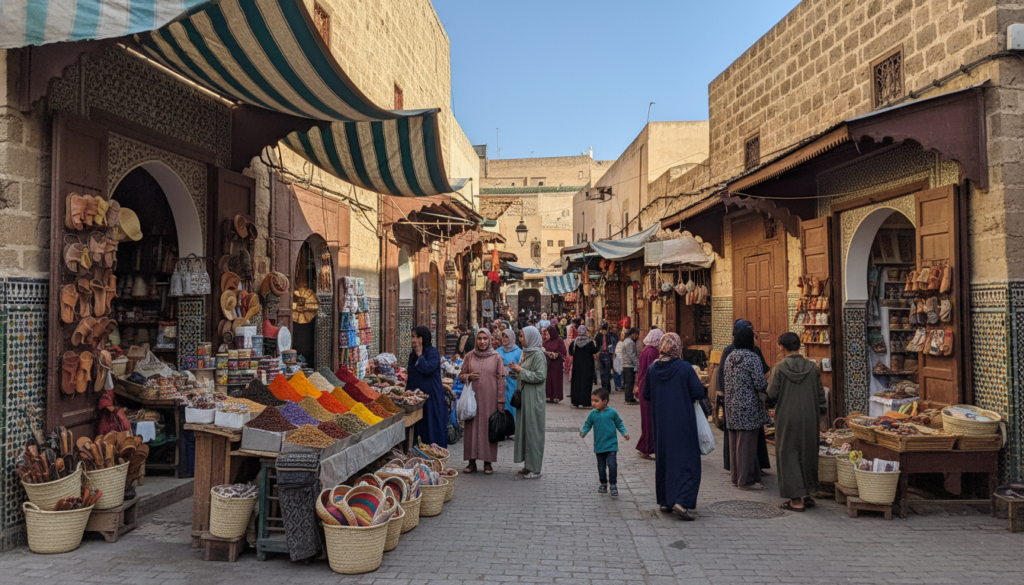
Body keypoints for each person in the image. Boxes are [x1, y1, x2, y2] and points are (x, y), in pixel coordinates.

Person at [643, 333, 706, 521]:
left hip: (661, 425)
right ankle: (682, 500)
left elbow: (646, 394)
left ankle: (664, 501)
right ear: (677, 348)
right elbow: (698, 391)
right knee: (688, 461)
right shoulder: (685, 368)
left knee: (664, 460)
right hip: (683, 422)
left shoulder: (652, 369)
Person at [768, 332, 827, 511]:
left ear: (781, 347)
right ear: (799, 346)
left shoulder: (779, 369)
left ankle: (795, 500)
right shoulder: (813, 368)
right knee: (807, 452)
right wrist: (821, 417)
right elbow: (820, 396)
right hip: (810, 416)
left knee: (789, 454)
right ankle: (808, 494)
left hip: (787, 417)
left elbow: (771, 394)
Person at [718, 319, 772, 473]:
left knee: (736, 440)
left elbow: (723, 378)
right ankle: (746, 477)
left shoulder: (729, 355)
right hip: (749, 406)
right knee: (747, 441)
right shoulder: (752, 355)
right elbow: (762, 381)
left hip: (731, 404)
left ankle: (737, 474)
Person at [458, 329, 507, 474]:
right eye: (479, 339)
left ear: (490, 339)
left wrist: (501, 400)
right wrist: (468, 376)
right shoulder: (469, 356)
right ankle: (471, 462)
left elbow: (501, 379)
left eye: (485, 338)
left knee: (488, 429)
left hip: (490, 400)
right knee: (471, 429)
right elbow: (461, 375)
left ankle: (488, 463)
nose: (482, 342)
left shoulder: (496, 357)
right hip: (472, 400)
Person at [509, 326, 548, 479]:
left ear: (531, 337)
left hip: (533, 399)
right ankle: (528, 465)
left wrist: (520, 371)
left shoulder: (538, 355)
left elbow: (540, 376)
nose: (520, 339)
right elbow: (523, 374)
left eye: (522, 336)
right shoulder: (526, 353)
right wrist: (514, 371)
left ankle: (535, 468)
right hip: (524, 398)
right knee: (525, 431)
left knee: (533, 432)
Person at [580, 388, 630, 497]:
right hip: (599, 445)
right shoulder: (593, 414)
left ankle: (613, 484)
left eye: (596, 401)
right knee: (601, 466)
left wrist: (624, 433)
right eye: (592, 400)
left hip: (611, 445)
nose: (593, 403)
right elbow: (587, 424)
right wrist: (583, 432)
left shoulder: (612, 412)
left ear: (605, 401)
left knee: (612, 465)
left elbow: (619, 423)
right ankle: (603, 483)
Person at [409, 326, 447, 448]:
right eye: (412, 336)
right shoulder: (412, 355)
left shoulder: (433, 352)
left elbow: (429, 369)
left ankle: (435, 456)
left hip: (431, 398)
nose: (413, 340)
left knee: (432, 425)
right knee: (419, 428)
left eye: (415, 337)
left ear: (421, 339)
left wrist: (420, 355)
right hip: (417, 398)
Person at [634, 328, 664, 459]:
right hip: (648, 389)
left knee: (648, 420)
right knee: (649, 420)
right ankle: (647, 449)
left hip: (645, 388)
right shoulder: (651, 353)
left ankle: (645, 446)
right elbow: (651, 373)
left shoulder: (648, 350)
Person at [569, 325, 599, 408]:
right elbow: (595, 350)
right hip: (587, 367)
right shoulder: (590, 342)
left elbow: (570, 352)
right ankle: (585, 402)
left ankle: (576, 401)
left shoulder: (575, 342)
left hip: (577, 366)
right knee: (586, 383)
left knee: (577, 383)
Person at [497, 327, 522, 420]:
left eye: (506, 337)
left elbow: (521, 367)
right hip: (500, 382)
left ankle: (514, 425)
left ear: (511, 338)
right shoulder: (497, 352)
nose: (504, 339)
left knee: (512, 402)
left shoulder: (519, 352)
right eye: (502, 336)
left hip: (513, 383)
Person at [542, 325, 567, 403]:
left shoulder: (559, 340)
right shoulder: (546, 340)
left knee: (556, 379)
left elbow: (563, 352)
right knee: (548, 380)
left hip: (556, 363)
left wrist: (557, 354)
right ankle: (548, 396)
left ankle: (556, 396)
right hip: (547, 362)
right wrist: (546, 353)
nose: (547, 334)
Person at [595, 323, 618, 392]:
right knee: (602, 372)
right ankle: (603, 387)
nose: (602, 332)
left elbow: (615, 343)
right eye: (601, 330)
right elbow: (596, 344)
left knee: (607, 372)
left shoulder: (611, 336)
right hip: (601, 354)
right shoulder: (598, 335)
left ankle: (607, 388)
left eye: (603, 330)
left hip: (608, 354)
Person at [620, 328, 640, 405]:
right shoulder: (630, 342)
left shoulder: (626, 341)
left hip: (626, 364)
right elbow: (631, 355)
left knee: (628, 382)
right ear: (633, 334)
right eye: (636, 335)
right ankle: (629, 398)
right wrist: (637, 363)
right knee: (629, 382)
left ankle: (629, 397)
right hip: (629, 365)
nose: (637, 337)